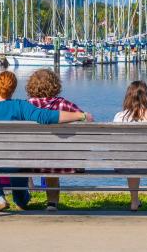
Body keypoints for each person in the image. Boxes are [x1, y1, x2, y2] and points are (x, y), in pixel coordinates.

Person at [0, 70, 91, 212]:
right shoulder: (20, 106)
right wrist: (81, 116)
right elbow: (45, 117)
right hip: (17, 163)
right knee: (18, 168)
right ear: (14, 88)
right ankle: (21, 201)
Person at [25, 68, 88, 211]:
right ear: (55, 85)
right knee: (51, 161)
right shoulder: (64, 105)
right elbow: (86, 121)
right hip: (62, 160)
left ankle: (25, 196)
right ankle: (52, 203)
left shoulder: (25, 106)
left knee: (44, 158)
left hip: (30, 160)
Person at [113, 80, 147, 212]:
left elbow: (114, 144)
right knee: (137, 158)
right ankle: (135, 201)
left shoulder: (119, 117)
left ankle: (134, 200)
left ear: (128, 96)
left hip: (123, 166)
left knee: (130, 158)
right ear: (146, 96)